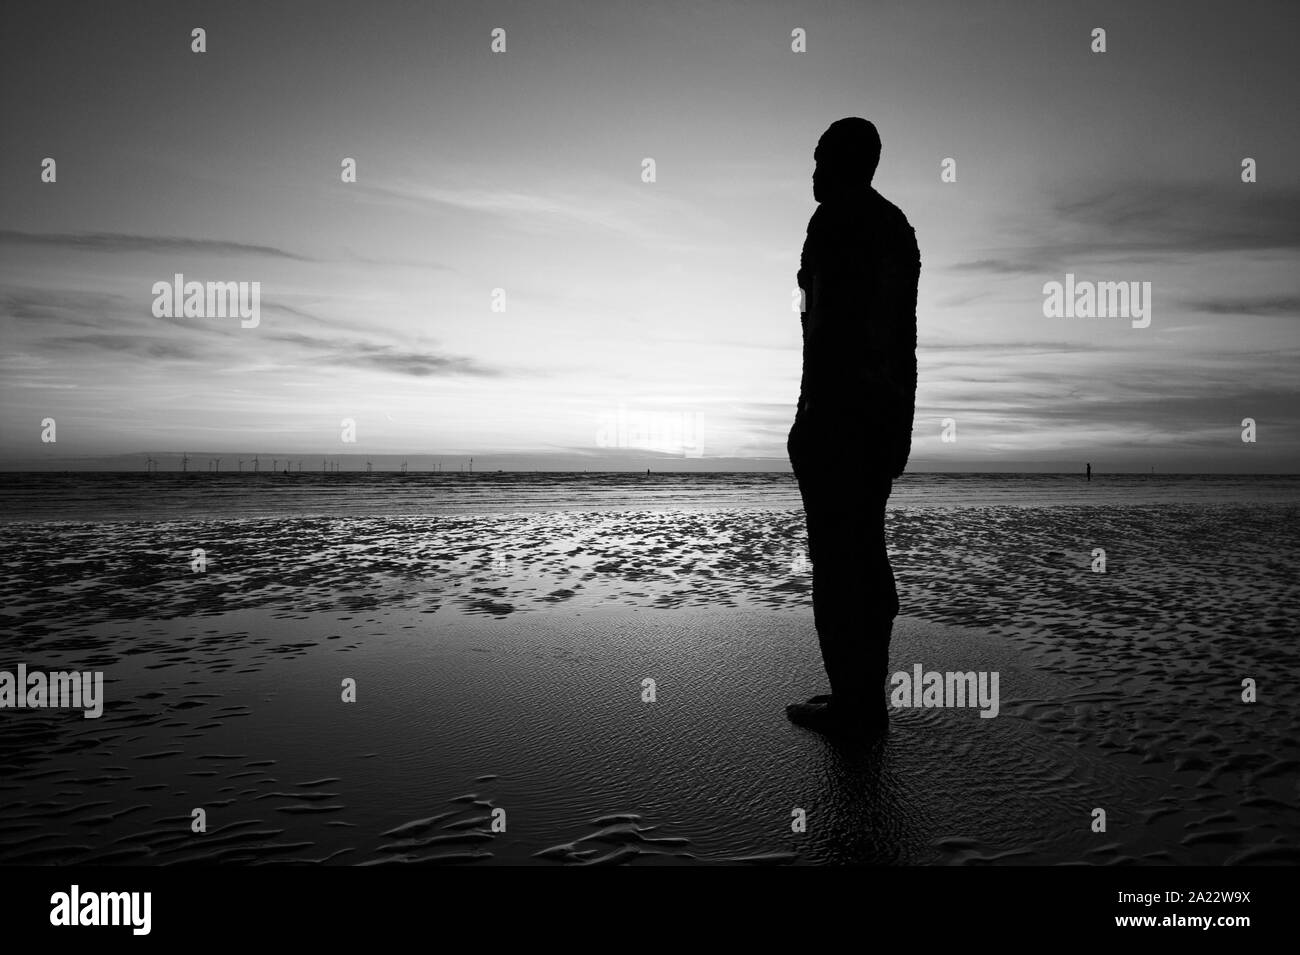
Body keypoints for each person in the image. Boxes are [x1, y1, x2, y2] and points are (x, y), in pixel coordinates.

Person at [785, 118, 921, 736]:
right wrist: (901, 428)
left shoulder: (837, 221)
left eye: (820, 159)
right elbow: (904, 341)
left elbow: (829, 335)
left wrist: (808, 418)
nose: (812, 172)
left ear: (844, 163)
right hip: (880, 417)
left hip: (841, 418)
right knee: (863, 550)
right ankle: (862, 697)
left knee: (840, 561)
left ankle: (855, 704)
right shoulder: (897, 228)